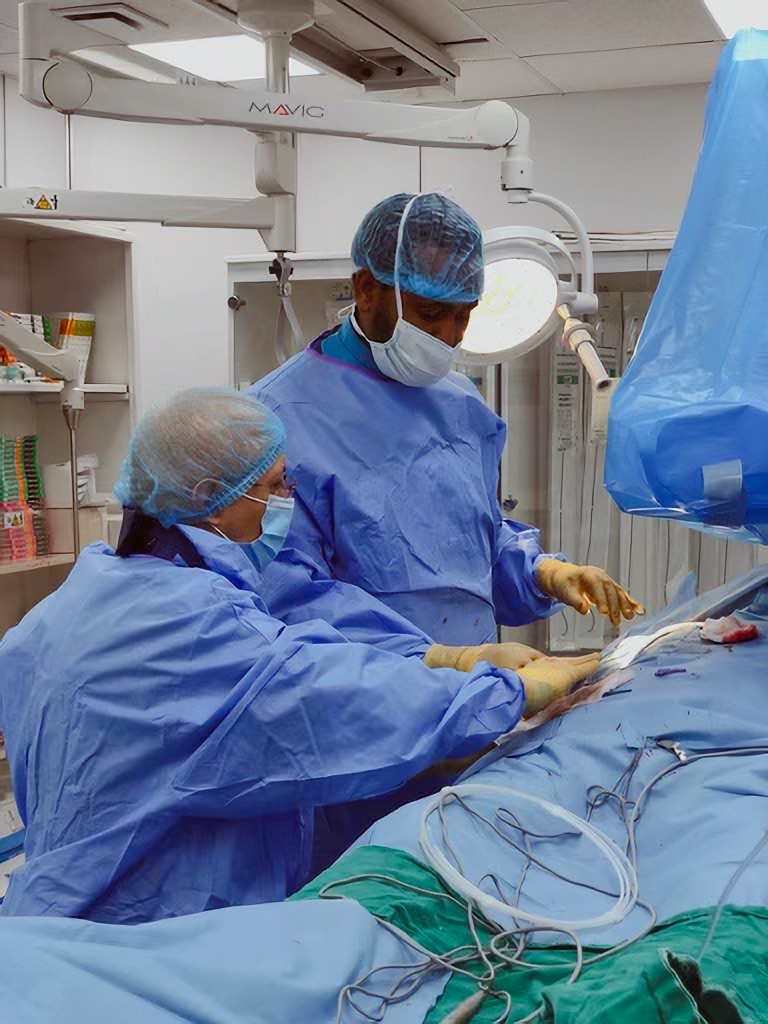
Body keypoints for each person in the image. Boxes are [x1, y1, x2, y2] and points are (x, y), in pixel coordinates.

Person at [0, 388, 598, 925]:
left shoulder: (63, 610)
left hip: (54, 927)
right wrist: (510, 691)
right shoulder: (196, 626)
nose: (288, 501)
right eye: (274, 486)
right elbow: (334, 701)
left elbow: (294, 659)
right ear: (212, 499)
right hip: (151, 936)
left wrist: (440, 659)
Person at [250, 192, 643, 659]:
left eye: (464, 315)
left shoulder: (461, 405)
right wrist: (439, 662)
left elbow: (472, 544)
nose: (450, 336)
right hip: (364, 698)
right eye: (431, 314)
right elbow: (288, 597)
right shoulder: (271, 419)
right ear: (366, 289)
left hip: (473, 697)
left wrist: (544, 574)